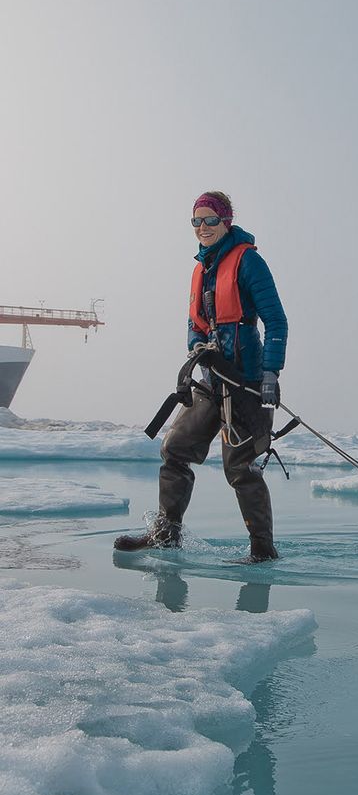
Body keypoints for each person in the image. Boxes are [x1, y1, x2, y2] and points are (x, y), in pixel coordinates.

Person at [115, 191, 287, 561]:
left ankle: (262, 549)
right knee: (175, 449)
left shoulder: (249, 262)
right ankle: (166, 535)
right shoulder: (201, 269)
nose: (203, 228)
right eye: (197, 221)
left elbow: (277, 321)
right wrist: (198, 350)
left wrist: (271, 373)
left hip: (247, 384)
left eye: (211, 220)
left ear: (226, 221)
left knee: (240, 466)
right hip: (209, 381)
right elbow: (196, 324)